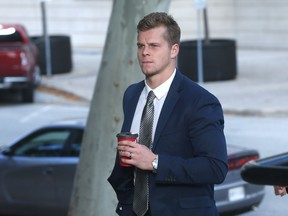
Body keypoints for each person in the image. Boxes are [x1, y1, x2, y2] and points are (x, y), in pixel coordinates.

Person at [108, 12, 228, 216]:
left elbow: (215, 167)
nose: (145, 52)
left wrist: (155, 162)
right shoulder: (131, 94)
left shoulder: (200, 101)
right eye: (140, 46)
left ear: (174, 50)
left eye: (154, 46)